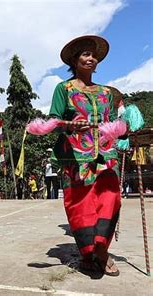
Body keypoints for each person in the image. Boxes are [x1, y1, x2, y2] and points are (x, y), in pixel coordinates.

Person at [49, 35, 122, 276]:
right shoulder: (64, 88)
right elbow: (53, 120)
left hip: (105, 156)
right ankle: (92, 254)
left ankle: (100, 248)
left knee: (110, 199)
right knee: (82, 206)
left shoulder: (106, 93)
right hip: (75, 158)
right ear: (74, 60)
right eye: (85, 54)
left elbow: (111, 122)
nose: (91, 58)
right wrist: (69, 125)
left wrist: (123, 130)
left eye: (94, 55)